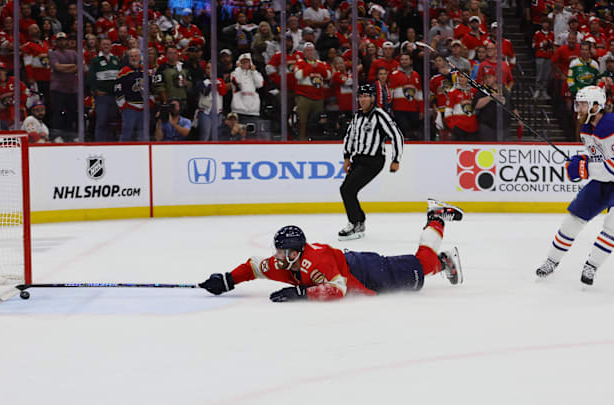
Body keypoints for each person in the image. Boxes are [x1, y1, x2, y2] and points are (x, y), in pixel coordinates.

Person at [199, 200, 465, 302]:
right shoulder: (284, 263)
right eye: (277, 252)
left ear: (296, 253)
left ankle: (436, 216)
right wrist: (228, 280)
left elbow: (338, 289)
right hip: (351, 267)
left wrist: (301, 293)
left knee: (423, 264)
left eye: (282, 252)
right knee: (424, 267)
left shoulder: (314, 264)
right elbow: (254, 265)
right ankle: (444, 263)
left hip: (363, 270)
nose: (277, 257)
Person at [535, 86, 614, 286]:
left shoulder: (611, 125)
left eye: (584, 104)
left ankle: (592, 265)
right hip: (603, 181)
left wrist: (584, 168)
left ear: (597, 106)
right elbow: (600, 157)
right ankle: (551, 260)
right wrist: (581, 160)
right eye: (579, 103)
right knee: (572, 220)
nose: (579, 107)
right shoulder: (587, 127)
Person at [339, 84, 404, 240]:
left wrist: (396, 159)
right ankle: (358, 221)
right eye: (360, 96)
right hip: (358, 159)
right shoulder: (357, 116)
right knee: (348, 190)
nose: (363, 99)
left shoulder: (380, 115)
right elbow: (350, 137)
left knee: (347, 190)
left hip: (373, 161)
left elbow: (396, 136)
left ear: (373, 98)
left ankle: (356, 224)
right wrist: (347, 157)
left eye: (366, 96)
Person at [88, 37, 121, 141]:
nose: (106, 46)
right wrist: (96, 91)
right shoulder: (95, 60)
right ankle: (100, 144)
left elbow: (120, 77)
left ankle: (110, 144)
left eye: (108, 44)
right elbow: (90, 77)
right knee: (101, 122)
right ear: (100, 46)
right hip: (102, 96)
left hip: (114, 97)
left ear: (111, 46)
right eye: (104, 44)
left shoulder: (115, 59)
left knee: (112, 122)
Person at [49, 32, 79, 142]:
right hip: (57, 88)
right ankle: (56, 135)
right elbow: (57, 68)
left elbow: (79, 66)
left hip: (71, 88)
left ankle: (70, 134)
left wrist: (65, 69)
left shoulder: (73, 53)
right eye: (59, 40)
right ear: (56, 42)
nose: (62, 42)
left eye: (63, 40)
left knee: (72, 111)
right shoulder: (53, 54)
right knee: (57, 112)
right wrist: (72, 67)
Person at [115, 48, 148, 142]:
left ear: (140, 57)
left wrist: (150, 101)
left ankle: (143, 152)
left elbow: (151, 87)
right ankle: (121, 152)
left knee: (143, 133)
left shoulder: (145, 70)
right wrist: (123, 105)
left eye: (136, 56)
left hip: (144, 107)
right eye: (131, 56)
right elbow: (118, 89)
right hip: (130, 107)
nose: (134, 58)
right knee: (127, 132)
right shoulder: (123, 72)